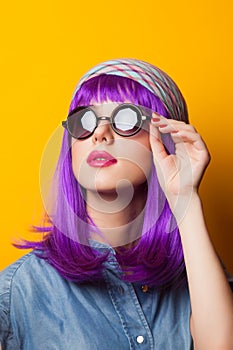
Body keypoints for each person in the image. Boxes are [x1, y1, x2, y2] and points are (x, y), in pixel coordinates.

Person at [0, 58, 232, 350]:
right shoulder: (18, 291)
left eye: (126, 120)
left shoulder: (198, 275)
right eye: (84, 120)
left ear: (167, 141)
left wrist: (184, 196)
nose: (99, 134)